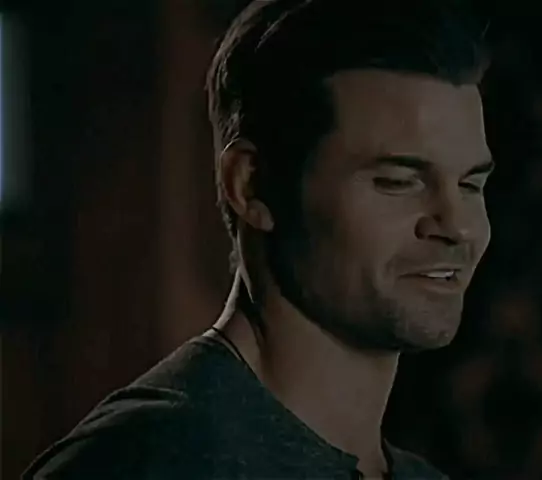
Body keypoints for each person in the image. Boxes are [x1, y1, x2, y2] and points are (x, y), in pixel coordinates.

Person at [24, 0, 493, 478]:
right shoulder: (149, 460)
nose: (458, 227)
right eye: (398, 181)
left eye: (470, 185)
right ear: (250, 185)